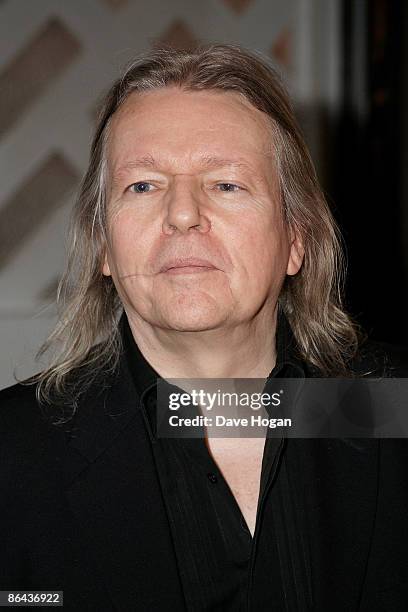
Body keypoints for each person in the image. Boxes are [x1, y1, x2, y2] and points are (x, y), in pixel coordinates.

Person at [1, 44, 407, 612]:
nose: (183, 213)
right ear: (104, 248)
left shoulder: (394, 408)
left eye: (225, 184)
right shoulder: (12, 456)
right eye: (142, 186)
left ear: (296, 240)